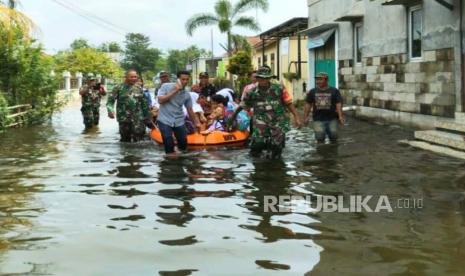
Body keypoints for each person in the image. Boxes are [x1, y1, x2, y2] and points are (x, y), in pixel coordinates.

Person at [229, 66, 302, 159]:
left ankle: (275, 167)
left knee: (276, 146)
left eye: (266, 78)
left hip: (278, 120)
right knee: (258, 144)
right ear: (257, 78)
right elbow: (242, 105)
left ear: (269, 78)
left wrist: (297, 118)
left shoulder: (279, 88)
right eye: (261, 78)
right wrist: (232, 118)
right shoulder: (252, 91)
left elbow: (289, 103)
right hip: (260, 120)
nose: (263, 80)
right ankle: (258, 164)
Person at [157, 70, 201, 155]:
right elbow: (160, 100)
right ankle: (170, 163)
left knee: (183, 144)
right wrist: (175, 90)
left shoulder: (187, 94)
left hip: (179, 120)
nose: (185, 81)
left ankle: (180, 161)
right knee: (168, 140)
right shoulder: (166, 86)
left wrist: (196, 123)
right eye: (182, 79)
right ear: (177, 79)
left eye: (187, 79)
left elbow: (190, 110)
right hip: (164, 119)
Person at [106, 70, 151, 142]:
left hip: (138, 119)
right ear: (126, 77)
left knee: (139, 140)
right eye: (131, 77)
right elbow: (110, 101)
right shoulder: (118, 88)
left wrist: (148, 117)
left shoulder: (139, 89)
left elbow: (144, 104)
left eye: (135, 77)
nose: (134, 78)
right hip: (124, 119)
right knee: (125, 140)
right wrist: (110, 110)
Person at [303, 72, 345, 143]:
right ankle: (321, 152)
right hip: (318, 119)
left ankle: (332, 152)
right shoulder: (312, 92)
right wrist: (306, 116)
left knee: (334, 136)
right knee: (319, 137)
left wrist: (340, 116)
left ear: (326, 80)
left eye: (320, 79)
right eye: (317, 79)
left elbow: (338, 103)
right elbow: (308, 104)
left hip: (332, 118)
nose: (318, 81)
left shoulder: (334, 91)